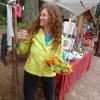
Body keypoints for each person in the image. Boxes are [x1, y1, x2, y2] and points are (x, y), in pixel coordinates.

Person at [17, 3, 63, 100]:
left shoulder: (59, 38)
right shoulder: (33, 32)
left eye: (44, 15)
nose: (40, 17)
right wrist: (18, 41)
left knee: (51, 98)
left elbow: (59, 58)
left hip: (49, 73)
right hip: (31, 70)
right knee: (29, 97)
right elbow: (21, 50)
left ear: (52, 17)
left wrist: (58, 65)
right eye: (40, 15)